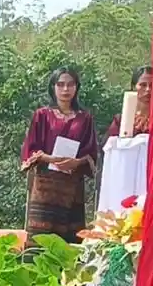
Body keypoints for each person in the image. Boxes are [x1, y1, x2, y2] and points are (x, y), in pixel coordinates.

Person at [21, 68, 99, 242]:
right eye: (61, 84)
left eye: (70, 84)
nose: (65, 89)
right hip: (45, 186)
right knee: (39, 241)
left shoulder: (85, 118)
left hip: (72, 186)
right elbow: (31, 148)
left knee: (70, 242)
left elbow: (90, 152)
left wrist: (76, 162)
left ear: (76, 87)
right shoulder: (42, 116)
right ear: (53, 87)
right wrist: (51, 159)